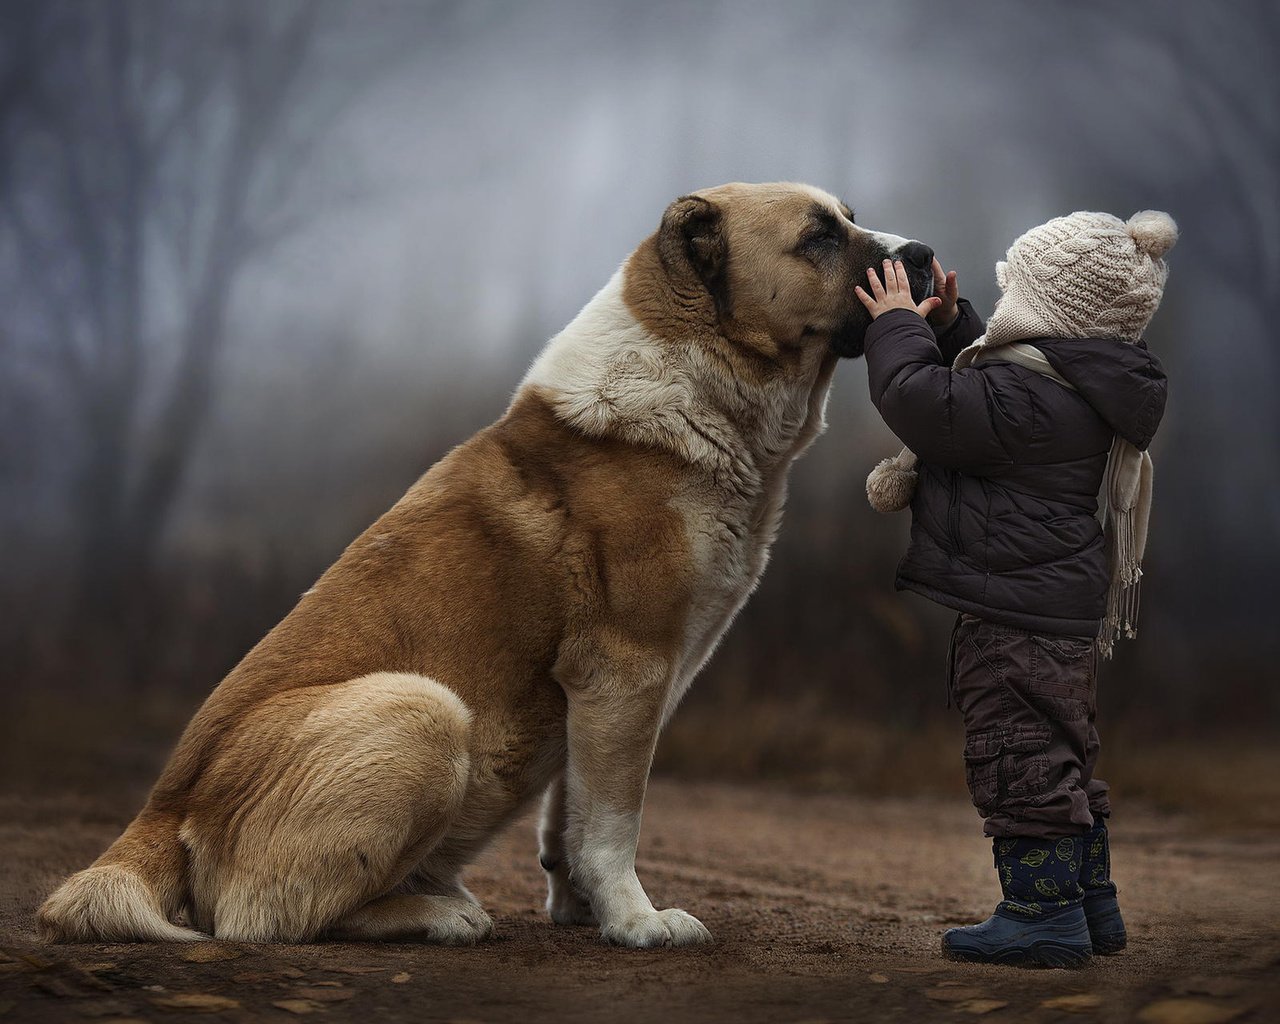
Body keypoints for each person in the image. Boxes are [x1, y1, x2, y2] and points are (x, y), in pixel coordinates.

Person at [854, 210, 1176, 967]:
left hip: (1014, 617)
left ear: (1050, 309)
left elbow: (920, 401)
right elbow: (984, 386)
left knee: (1018, 755)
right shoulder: (1069, 385)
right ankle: (1090, 905)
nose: (1003, 307)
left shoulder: (1028, 403)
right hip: (1052, 609)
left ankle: (1041, 916)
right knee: (1060, 752)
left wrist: (896, 327)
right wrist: (948, 325)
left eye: (1015, 290)